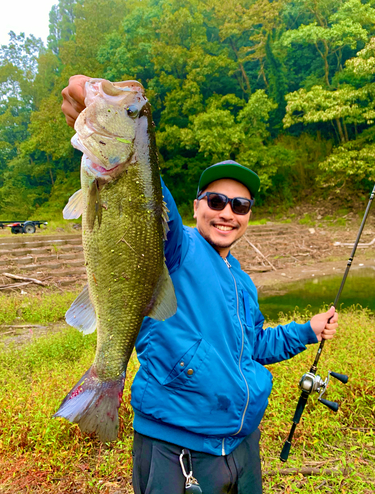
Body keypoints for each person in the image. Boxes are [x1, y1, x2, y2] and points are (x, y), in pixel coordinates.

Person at [61, 76, 338, 494]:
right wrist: (90, 100)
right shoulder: (178, 247)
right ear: (195, 206)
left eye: (240, 205)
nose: (227, 212)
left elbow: (253, 346)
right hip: (177, 449)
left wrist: (307, 331)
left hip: (241, 442)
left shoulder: (242, 281)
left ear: (249, 215)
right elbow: (146, 193)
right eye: (216, 201)